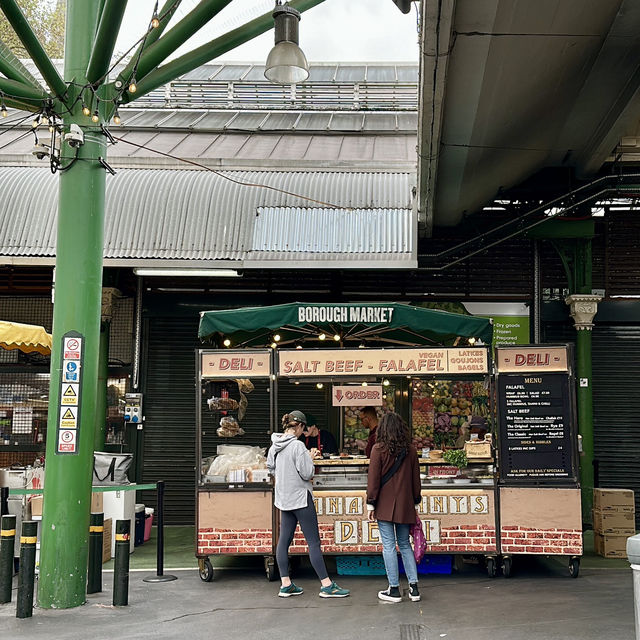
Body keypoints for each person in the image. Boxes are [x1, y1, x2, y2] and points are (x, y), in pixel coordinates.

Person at [267, 410, 350, 599]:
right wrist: (310, 459)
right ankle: (327, 585)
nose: (303, 433)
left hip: (284, 499)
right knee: (313, 542)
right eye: (303, 429)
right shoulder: (297, 447)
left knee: (284, 541)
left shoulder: (274, 447)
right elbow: (307, 474)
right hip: (301, 499)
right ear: (300, 427)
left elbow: (271, 468)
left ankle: (285, 584)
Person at [366, 412, 421, 603]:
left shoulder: (377, 449)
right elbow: (416, 481)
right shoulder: (411, 450)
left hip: (384, 505)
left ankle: (394, 589)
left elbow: (373, 481)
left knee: (388, 546)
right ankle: (414, 589)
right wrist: (415, 501)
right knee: (405, 544)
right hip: (405, 505)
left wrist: (371, 502)